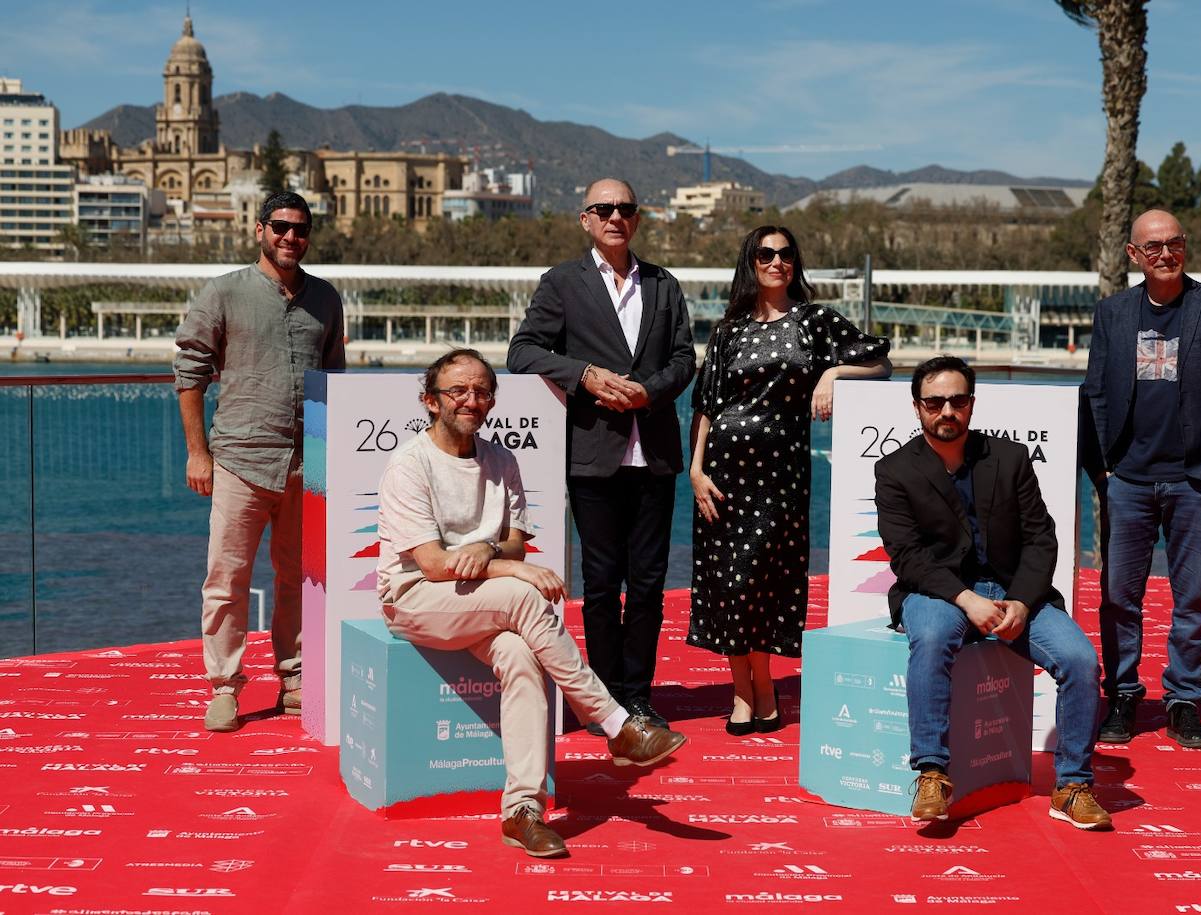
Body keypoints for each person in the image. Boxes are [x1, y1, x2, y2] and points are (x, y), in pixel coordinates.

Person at [376, 349, 688, 858]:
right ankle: (614, 724)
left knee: (521, 659)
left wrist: (491, 551)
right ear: (430, 401)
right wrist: (512, 567)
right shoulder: (410, 465)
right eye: (457, 391)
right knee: (524, 593)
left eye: (481, 391)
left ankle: (522, 810)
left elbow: (516, 541)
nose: (470, 400)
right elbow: (432, 564)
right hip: (416, 599)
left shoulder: (501, 459)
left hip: (476, 599)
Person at [875, 356, 1111, 830]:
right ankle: (931, 773)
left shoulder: (1009, 458)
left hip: (1013, 591)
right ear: (917, 408)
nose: (947, 411)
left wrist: (1023, 601)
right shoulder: (895, 471)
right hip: (937, 591)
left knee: (1081, 662)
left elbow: (1042, 538)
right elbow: (909, 558)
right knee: (933, 640)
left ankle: (1071, 786)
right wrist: (966, 599)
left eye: (958, 401)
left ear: (972, 405)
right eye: (935, 402)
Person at [506, 178, 695, 731]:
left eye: (626, 209)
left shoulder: (664, 285)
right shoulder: (562, 283)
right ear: (585, 218)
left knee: (648, 583)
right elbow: (523, 352)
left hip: (655, 456)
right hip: (591, 456)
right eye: (604, 208)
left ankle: (638, 695)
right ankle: (602, 698)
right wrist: (584, 376)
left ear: (636, 219)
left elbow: (684, 359)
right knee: (601, 580)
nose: (616, 216)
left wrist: (651, 391)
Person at [688, 226, 890, 734]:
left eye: (785, 254)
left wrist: (832, 375)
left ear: (795, 263)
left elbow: (880, 363)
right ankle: (745, 689)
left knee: (762, 579)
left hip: (781, 475)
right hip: (723, 472)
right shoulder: (729, 328)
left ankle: (764, 682)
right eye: (765, 254)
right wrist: (694, 470)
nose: (776, 262)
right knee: (730, 585)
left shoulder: (814, 321)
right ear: (750, 262)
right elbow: (707, 405)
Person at [1081, 209, 1201, 750]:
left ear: (1185, 247)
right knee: (1117, 597)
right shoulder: (1112, 313)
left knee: (1194, 597)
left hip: (1196, 482)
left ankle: (1183, 699)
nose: (1165, 253)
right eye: (1152, 246)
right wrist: (1101, 470)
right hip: (1127, 481)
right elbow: (1095, 394)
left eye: (1174, 243)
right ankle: (1125, 695)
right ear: (1133, 254)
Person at [174, 191, 345, 733]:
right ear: (259, 230)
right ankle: (224, 686)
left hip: (305, 464)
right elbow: (190, 374)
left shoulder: (326, 299)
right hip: (241, 460)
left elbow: (334, 381)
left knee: (300, 578)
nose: (290, 236)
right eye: (280, 226)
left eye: (300, 228)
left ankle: (293, 676)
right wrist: (198, 454)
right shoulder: (223, 292)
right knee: (226, 578)